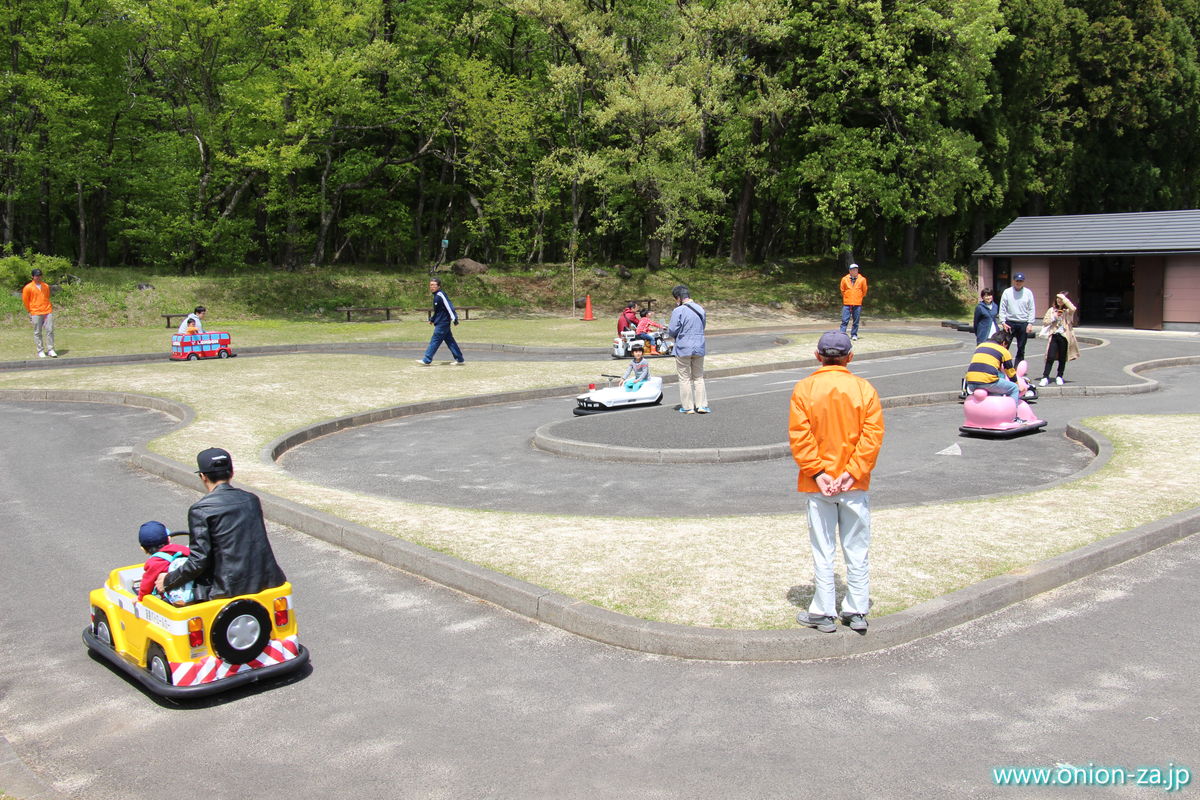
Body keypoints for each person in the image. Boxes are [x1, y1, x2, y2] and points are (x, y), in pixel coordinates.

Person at [789, 331, 884, 634]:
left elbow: (800, 437)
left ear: (817, 356)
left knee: (823, 548)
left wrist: (819, 473)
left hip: (818, 484)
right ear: (849, 358)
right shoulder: (864, 389)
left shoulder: (805, 388)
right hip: (854, 483)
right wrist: (852, 471)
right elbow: (872, 436)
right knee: (856, 549)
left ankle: (823, 611)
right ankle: (856, 609)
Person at [157, 448, 287, 601]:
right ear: (231, 472)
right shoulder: (251, 500)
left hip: (226, 589)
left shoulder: (201, 510)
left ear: (203, 476)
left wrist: (167, 581)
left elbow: (198, 561)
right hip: (267, 580)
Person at [964, 329, 1025, 421]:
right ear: (1004, 343)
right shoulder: (1003, 350)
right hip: (988, 382)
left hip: (971, 383)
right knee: (1013, 388)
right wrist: (1017, 385)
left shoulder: (980, 346)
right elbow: (1010, 372)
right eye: (1007, 345)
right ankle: (1013, 417)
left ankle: (989, 417)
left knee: (996, 390)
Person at [667, 285, 708, 414]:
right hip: (699, 346)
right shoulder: (700, 309)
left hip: (683, 347)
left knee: (684, 378)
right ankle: (701, 406)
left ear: (678, 298)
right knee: (698, 377)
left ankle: (688, 407)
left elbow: (672, 330)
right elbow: (703, 326)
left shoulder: (678, 310)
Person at [135, 521, 192, 603]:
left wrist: (140, 598)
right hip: (194, 591)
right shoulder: (181, 549)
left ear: (143, 549)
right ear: (168, 539)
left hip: (175, 599)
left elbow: (147, 585)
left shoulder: (154, 562)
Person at [418, 278, 465, 365]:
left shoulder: (440, 295)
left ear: (438, 286)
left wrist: (454, 318)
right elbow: (438, 311)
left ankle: (426, 360)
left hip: (443, 323)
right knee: (450, 341)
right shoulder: (436, 296)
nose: (431, 287)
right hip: (441, 322)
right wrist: (432, 319)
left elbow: (449, 306)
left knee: (435, 340)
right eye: (430, 285)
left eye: (433, 285)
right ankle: (460, 359)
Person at [1039, 291, 1079, 386]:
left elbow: (1073, 308)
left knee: (1062, 358)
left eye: (1061, 299)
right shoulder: (1052, 310)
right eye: (1058, 298)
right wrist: (1054, 318)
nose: (1059, 300)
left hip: (1064, 336)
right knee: (1050, 357)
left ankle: (1059, 376)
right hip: (1054, 335)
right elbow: (1045, 321)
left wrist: (1064, 299)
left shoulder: (1068, 311)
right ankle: (1045, 377)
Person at [999, 273, 1037, 364]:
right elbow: (1002, 307)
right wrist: (1003, 322)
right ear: (1013, 281)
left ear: (1023, 282)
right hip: (1009, 323)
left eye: (1020, 281)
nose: (1018, 282)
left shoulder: (1028, 293)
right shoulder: (1007, 292)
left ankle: (1018, 369)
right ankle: (1003, 366)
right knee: (1005, 346)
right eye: (1017, 280)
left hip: (1023, 323)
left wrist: (1030, 323)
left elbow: (1031, 308)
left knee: (1021, 348)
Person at [21, 268, 56, 358]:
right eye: (36, 275)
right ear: (32, 276)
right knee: (37, 332)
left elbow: (47, 297)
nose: (38, 277)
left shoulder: (45, 286)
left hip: (47, 310)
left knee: (50, 330)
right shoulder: (28, 287)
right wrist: (30, 311)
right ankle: (40, 350)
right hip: (35, 311)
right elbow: (25, 300)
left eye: (40, 275)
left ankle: (51, 349)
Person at [838, 263, 868, 341]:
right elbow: (842, 290)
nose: (855, 271)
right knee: (844, 320)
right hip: (847, 302)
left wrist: (859, 297)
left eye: (856, 269)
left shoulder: (862, 279)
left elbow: (864, 290)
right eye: (853, 270)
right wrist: (847, 296)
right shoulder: (844, 279)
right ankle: (842, 335)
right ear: (850, 271)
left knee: (856, 320)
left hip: (857, 302)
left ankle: (854, 334)